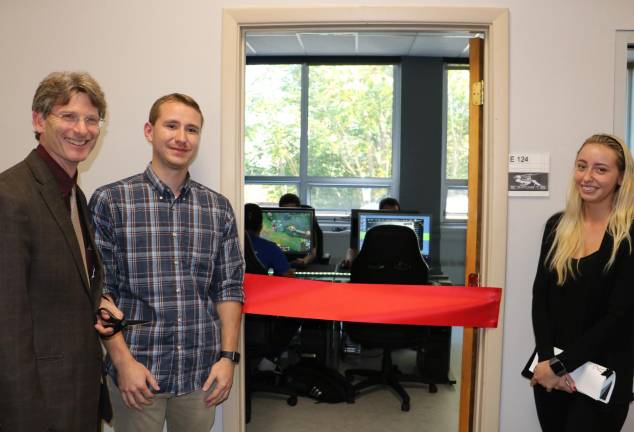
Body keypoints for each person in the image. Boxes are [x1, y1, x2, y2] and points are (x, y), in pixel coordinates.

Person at [90, 93, 245, 432]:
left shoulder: (217, 208)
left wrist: (227, 358)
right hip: (137, 372)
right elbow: (101, 291)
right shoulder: (112, 201)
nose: (181, 137)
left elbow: (229, 288)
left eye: (192, 129)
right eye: (171, 125)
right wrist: (122, 360)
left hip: (200, 372)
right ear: (149, 130)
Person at [0, 71, 119, 431]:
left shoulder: (73, 194)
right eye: (67, 116)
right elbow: (8, 323)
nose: (81, 129)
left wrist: (97, 299)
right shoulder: (11, 196)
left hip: (78, 393)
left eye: (91, 119)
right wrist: (25, 418)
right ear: (39, 120)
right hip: (39, 406)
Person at [530, 134, 634, 431]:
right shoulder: (557, 226)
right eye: (581, 166)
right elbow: (541, 299)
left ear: (621, 177)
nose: (587, 177)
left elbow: (619, 316)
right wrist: (549, 362)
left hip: (604, 374)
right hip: (552, 374)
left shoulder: (628, 234)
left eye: (601, 169)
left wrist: (562, 365)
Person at [341, 197, 401, 268]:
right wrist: (349, 260)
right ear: (379, 212)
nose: (390, 217)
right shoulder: (370, 227)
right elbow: (352, 249)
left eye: (394, 213)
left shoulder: (405, 232)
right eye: (386, 213)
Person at [245, 203, 295, 276]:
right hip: (260, 286)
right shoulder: (270, 248)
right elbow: (287, 275)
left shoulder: (229, 245)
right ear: (261, 226)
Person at [278, 193, 322, 267]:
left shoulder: (307, 221)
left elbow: (314, 251)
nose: (289, 214)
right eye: (285, 210)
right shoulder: (279, 220)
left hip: (303, 262)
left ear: (299, 209)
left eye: (292, 211)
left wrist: (304, 261)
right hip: (282, 263)